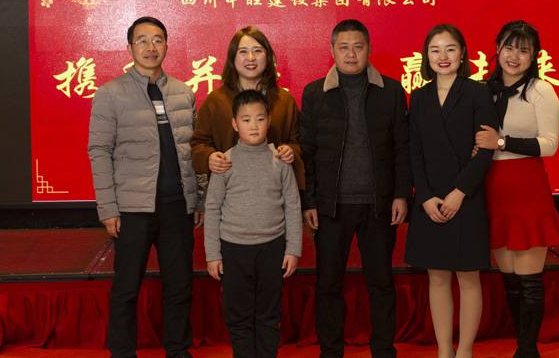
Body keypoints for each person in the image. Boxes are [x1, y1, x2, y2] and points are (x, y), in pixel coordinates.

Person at [88, 16, 203, 358]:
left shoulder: (183, 92)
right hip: (132, 209)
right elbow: (99, 151)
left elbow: (194, 151)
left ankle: (178, 350)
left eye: (157, 40)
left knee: (180, 286)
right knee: (126, 288)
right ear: (129, 48)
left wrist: (198, 199)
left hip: (176, 206)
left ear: (166, 45)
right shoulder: (110, 93)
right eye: (142, 40)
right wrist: (108, 208)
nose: (150, 47)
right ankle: (123, 352)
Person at [299, 19, 413, 358]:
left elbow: (402, 149)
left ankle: (383, 350)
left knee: (381, 282)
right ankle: (331, 351)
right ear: (332, 51)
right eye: (344, 47)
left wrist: (401, 195)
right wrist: (309, 201)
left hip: (379, 204)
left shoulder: (391, 91)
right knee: (328, 283)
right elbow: (307, 153)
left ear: (369, 49)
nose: (351, 54)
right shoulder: (314, 93)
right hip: (330, 206)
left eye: (358, 47)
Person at [474, 20, 559, 358]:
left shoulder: (541, 91)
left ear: (534, 56)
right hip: (492, 188)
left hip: (527, 188)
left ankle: (527, 350)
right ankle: (523, 345)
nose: (514, 56)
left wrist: (501, 142)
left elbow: (550, 144)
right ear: (497, 48)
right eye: (509, 48)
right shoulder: (481, 90)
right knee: (510, 280)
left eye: (523, 50)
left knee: (529, 281)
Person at [403, 24, 497, 358]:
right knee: (438, 278)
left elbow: (485, 149)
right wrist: (424, 196)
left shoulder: (477, 92)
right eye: (435, 50)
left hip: (466, 197)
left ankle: (465, 351)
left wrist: (460, 192)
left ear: (462, 54)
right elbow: (413, 151)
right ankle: (445, 351)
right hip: (431, 199)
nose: (443, 56)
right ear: (426, 56)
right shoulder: (419, 96)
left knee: (468, 278)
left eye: (450, 49)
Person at [204, 89, 303, 358]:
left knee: (269, 315)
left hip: (272, 248)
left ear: (269, 121)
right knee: (238, 316)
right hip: (233, 250)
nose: (254, 125)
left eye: (260, 119)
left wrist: (293, 249)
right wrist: (213, 254)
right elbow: (212, 208)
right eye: (246, 120)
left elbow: (293, 205)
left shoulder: (281, 161)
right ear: (235, 124)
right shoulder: (224, 161)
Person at [190, 26, 302, 192]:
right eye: (243, 51)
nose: (251, 58)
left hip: (275, 193)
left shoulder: (285, 100)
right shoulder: (215, 101)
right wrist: (209, 158)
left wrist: (290, 151)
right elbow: (198, 144)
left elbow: (298, 143)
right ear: (232, 57)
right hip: (229, 194)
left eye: (257, 51)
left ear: (268, 57)